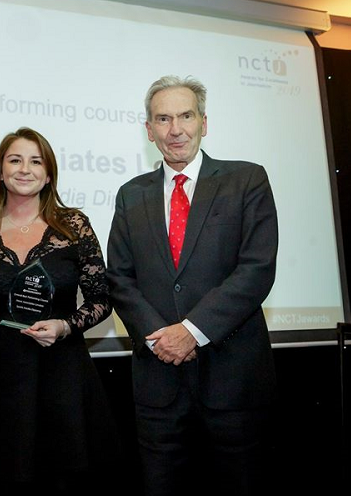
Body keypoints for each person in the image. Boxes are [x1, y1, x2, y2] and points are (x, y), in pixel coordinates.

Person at [106, 75, 279, 496]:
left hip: (234, 380)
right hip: (158, 383)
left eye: (185, 116)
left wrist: (192, 331)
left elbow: (256, 269)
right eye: (162, 119)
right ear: (148, 130)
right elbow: (119, 278)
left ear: (205, 122)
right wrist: (162, 338)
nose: (175, 129)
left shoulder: (247, 180)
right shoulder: (131, 194)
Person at [0, 127, 120, 495]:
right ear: (0, 171)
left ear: (49, 172)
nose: (25, 169)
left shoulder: (74, 226)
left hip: (62, 378)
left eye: (36, 161)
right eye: (15, 160)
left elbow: (102, 299)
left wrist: (66, 326)